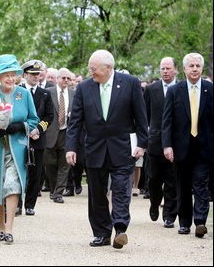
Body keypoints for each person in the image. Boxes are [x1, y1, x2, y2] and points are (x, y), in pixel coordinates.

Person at [66, 49, 148, 249]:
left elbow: (140, 116)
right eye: (89, 69)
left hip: (122, 147)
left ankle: (120, 228)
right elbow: (75, 122)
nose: (91, 72)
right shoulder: (84, 88)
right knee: (96, 192)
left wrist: (142, 144)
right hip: (94, 148)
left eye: (94, 69)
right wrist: (71, 148)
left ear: (108, 67)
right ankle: (102, 233)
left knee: (121, 188)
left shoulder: (131, 84)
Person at [0, 54, 39, 244]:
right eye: (6, 75)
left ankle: (9, 229)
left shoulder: (24, 94)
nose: (11, 79)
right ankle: (0, 226)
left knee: (13, 185)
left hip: (16, 148)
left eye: (13, 74)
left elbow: (34, 119)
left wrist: (21, 127)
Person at [162, 53, 213, 238]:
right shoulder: (175, 91)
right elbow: (167, 121)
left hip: (204, 147)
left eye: (198, 66)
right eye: (191, 66)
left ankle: (200, 222)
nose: (194, 69)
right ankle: (184, 222)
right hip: (180, 147)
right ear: (184, 69)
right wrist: (167, 145)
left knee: (201, 185)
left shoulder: (210, 89)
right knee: (182, 186)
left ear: (202, 68)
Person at [143, 57, 178, 228]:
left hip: (176, 141)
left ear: (176, 70)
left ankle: (170, 215)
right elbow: (145, 115)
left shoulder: (181, 88)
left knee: (172, 180)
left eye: (168, 68)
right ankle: (154, 202)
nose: (165, 71)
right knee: (154, 178)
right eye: (162, 68)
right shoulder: (151, 89)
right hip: (155, 141)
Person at [17, 59, 54, 215]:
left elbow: (49, 116)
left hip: (38, 139)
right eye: (32, 74)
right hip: (19, 137)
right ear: (25, 75)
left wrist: (38, 129)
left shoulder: (45, 93)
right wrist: (24, 129)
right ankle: (17, 203)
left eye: (38, 74)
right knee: (18, 173)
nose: (36, 77)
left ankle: (30, 204)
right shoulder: (18, 91)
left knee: (35, 173)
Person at [44, 67, 74, 203]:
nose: (66, 80)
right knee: (50, 163)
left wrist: (73, 116)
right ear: (57, 79)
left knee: (64, 164)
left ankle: (58, 193)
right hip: (50, 132)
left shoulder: (74, 94)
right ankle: (53, 188)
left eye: (68, 78)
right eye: (63, 78)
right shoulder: (48, 93)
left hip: (67, 132)